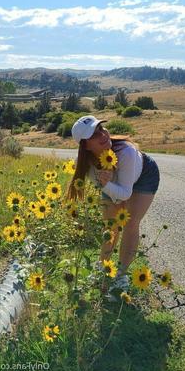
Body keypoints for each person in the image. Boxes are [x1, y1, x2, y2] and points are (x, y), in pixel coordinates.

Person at [66, 115, 160, 293]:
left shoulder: (127, 152)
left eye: (101, 129)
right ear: (84, 145)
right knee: (110, 227)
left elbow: (125, 194)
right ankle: (103, 266)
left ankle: (121, 275)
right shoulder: (85, 165)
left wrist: (107, 184)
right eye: (94, 135)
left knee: (131, 222)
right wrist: (106, 184)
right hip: (111, 185)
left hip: (144, 176)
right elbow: (116, 200)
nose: (102, 135)